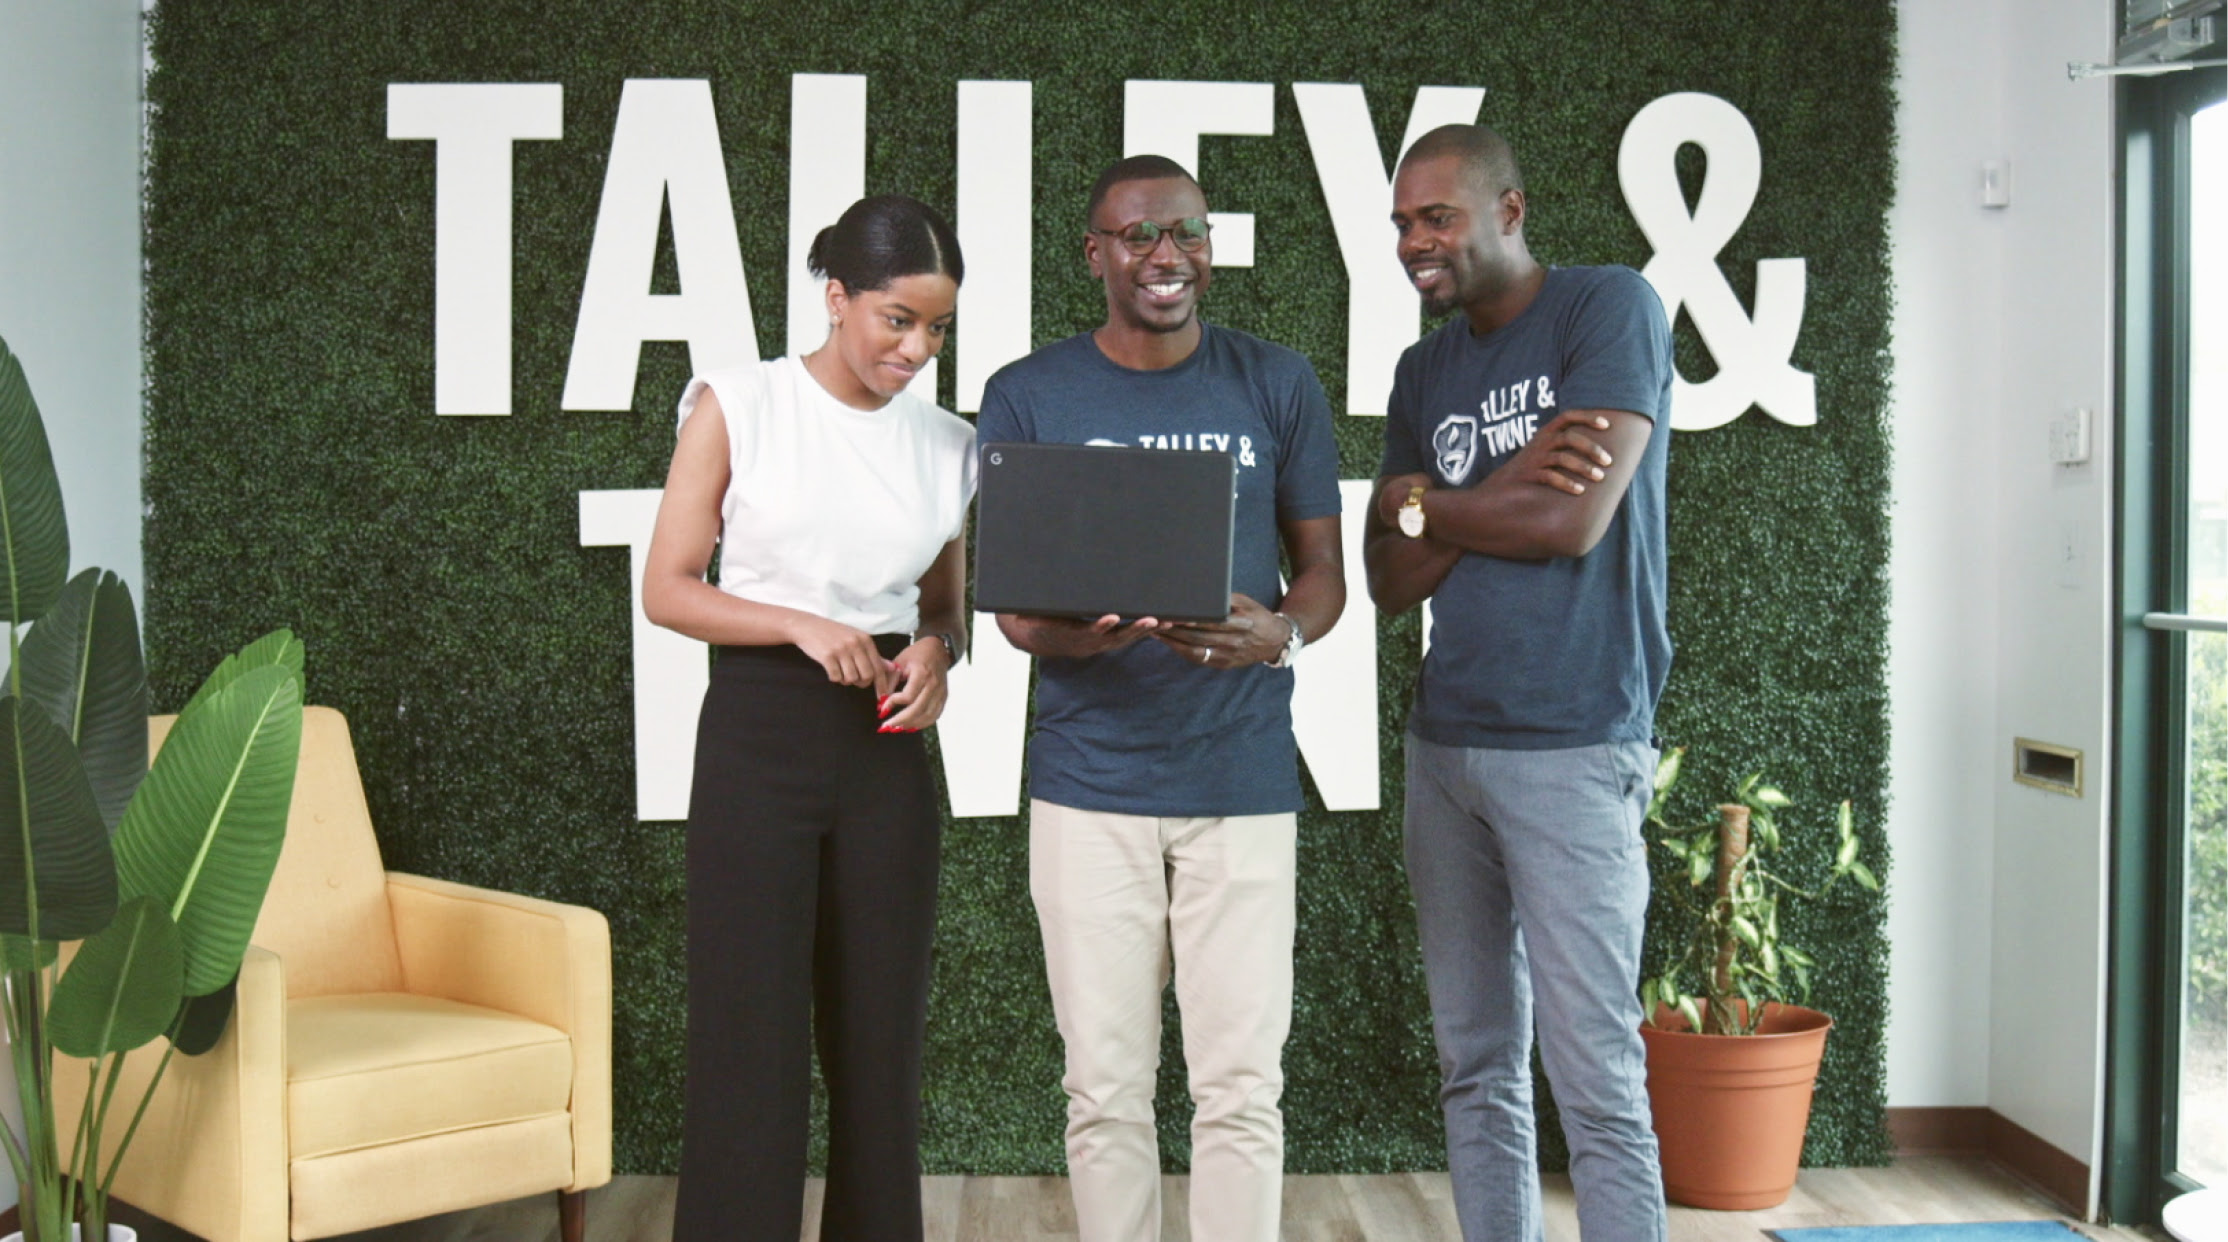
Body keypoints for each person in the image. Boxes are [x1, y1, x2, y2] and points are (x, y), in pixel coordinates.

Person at [975, 154, 1345, 1242]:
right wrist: (1073, 631)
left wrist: (1280, 632)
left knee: (1240, 1088)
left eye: (1184, 232)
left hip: (1239, 779)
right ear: (1093, 254)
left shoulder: (1274, 382)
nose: (1164, 256)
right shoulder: (1028, 392)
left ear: (1209, 248)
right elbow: (1011, 615)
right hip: (1089, 785)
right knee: (1103, 1092)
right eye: (1137, 236)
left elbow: (1320, 573)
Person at [1362, 123, 1675, 1242]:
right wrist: (1498, 485)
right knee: (1474, 1062)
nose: (1412, 241)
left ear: (1507, 209)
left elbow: (1571, 518)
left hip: (1574, 741)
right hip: (1444, 746)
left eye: (1433, 216)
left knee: (1594, 1075)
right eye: (1401, 221)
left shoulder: (1606, 309)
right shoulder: (1423, 369)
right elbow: (1386, 574)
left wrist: (1431, 502)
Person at [640, 194, 973, 1242]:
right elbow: (667, 587)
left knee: (879, 1047)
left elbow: (942, 608)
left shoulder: (949, 445)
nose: (915, 348)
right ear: (835, 298)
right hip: (756, 737)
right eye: (895, 320)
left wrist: (934, 654)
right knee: (750, 1041)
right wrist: (793, 625)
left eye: (936, 329)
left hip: (884, 750)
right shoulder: (739, 405)